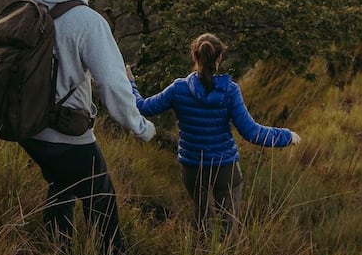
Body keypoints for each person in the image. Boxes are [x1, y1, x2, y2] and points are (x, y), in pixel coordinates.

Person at [0, 0, 155, 255]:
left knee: (61, 181)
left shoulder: (25, 8)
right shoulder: (88, 22)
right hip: (67, 134)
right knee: (101, 200)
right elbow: (113, 85)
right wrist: (141, 128)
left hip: (28, 131)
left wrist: (13, 103)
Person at [127, 33, 301, 237]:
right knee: (228, 227)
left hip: (192, 167)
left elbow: (143, 107)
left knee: (201, 221)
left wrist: (130, 83)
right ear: (219, 58)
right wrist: (287, 136)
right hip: (224, 167)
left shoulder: (178, 89)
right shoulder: (230, 91)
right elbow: (251, 132)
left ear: (195, 56)